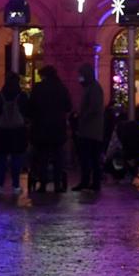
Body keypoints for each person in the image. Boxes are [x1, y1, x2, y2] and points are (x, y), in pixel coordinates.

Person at [29, 67, 72, 192]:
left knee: (42, 156)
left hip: (41, 128)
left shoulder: (38, 88)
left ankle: (42, 183)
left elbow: (31, 107)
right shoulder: (61, 88)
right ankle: (57, 184)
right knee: (58, 156)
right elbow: (68, 106)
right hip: (58, 128)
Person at [0, 71, 29, 194]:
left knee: (1, 158)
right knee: (16, 158)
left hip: (3, 131)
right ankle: (16, 185)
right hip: (17, 131)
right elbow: (27, 111)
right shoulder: (22, 96)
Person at [74, 64, 106, 192]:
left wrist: (82, 117)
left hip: (91, 130)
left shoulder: (94, 89)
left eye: (81, 75)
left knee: (91, 158)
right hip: (89, 129)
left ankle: (93, 182)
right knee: (88, 158)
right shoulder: (91, 88)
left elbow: (94, 108)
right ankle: (88, 181)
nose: (79, 78)